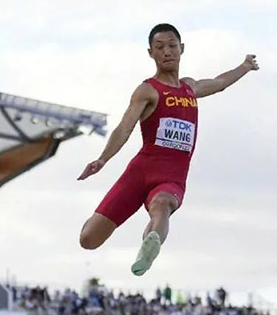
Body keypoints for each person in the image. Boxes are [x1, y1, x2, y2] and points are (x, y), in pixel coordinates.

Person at [78, 23, 260, 276]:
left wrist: (245, 66)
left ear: (181, 48)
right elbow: (125, 127)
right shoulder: (148, 90)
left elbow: (220, 83)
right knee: (88, 239)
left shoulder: (190, 88)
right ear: (150, 53)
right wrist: (103, 159)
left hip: (172, 177)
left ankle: (149, 245)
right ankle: (146, 236)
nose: (167, 51)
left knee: (162, 204)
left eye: (172, 46)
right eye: (160, 47)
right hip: (140, 172)